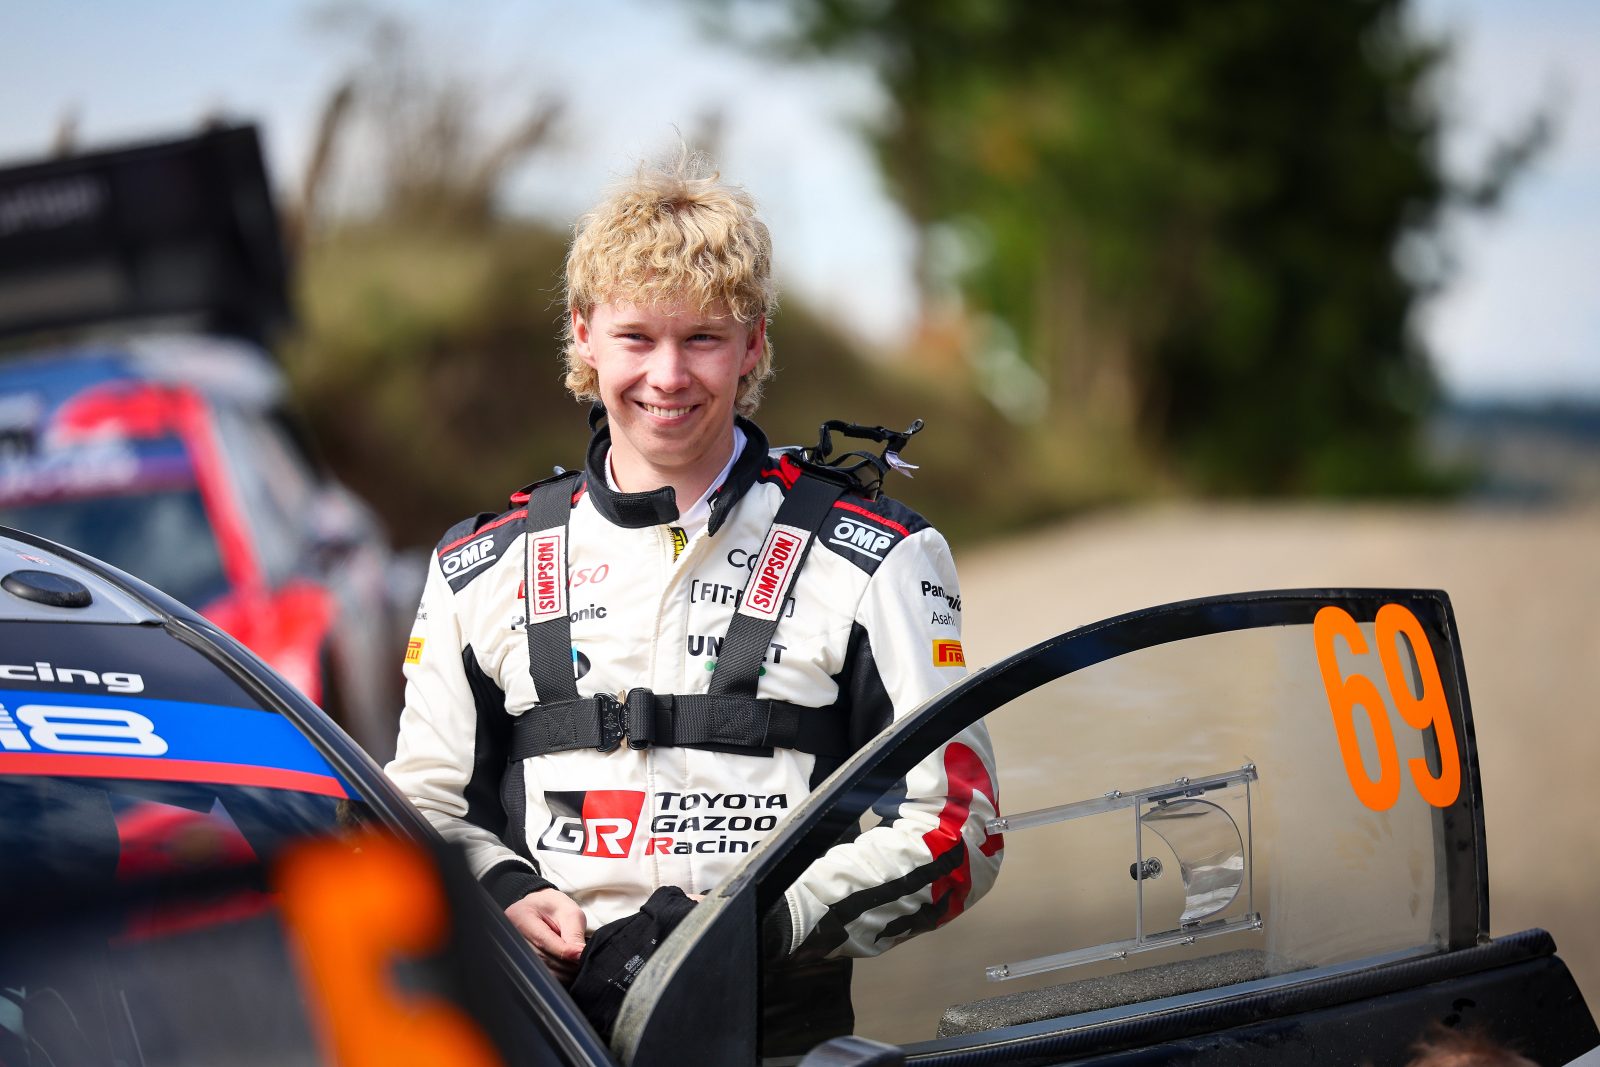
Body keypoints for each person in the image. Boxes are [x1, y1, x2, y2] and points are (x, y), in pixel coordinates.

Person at [385, 152, 1001, 1045]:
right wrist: (504, 894)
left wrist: (756, 926)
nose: (668, 376)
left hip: (775, 1031)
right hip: (550, 1030)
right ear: (585, 335)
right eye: (637, 337)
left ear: (753, 344)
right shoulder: (480, 566)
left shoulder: (880, 557)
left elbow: (959, 825)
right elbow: (416, 812)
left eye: (703, 338)